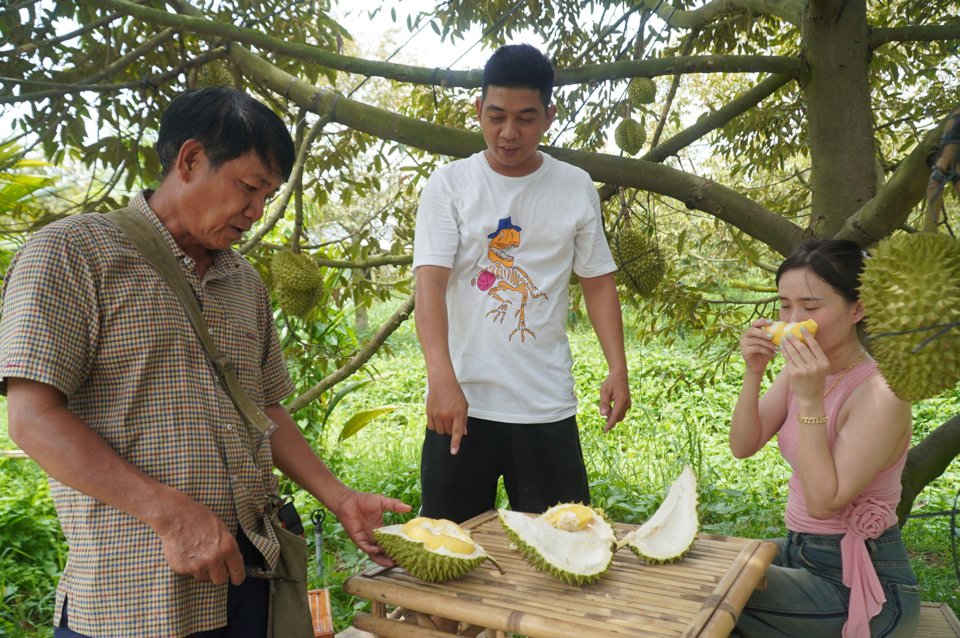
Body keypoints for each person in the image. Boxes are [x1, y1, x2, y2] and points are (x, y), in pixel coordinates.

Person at [0, 87, 410, 638]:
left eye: (268, 195)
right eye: (248, 187)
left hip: (248, 573)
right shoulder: (73, 253)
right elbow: (33, 419)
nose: (257, 211)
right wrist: (169, 514)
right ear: (189, 160)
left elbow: (264, 411)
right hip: (135, 591)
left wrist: (340, 498)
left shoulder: (244, 283)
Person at [412, 43, 632, 525]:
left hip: (544, 404)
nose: (508, 133)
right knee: (451, 547)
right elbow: (429, 286)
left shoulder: (574, 186)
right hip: (461, 403)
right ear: (478, 110)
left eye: (526, 118)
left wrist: (618, 367)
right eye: (496, 116)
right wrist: (440, 378)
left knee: (565, 545)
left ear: (550, 116)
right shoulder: (449, 185)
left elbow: (597, 281)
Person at [729, 239, 920, 638]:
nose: (795, 319)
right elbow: (743, 446)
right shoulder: (800, 368)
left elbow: (822, 502)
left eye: (811, 307)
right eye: (785, 305)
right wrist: (754, 371)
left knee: (717, 598)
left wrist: (810, 398)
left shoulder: (881, 395)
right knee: (706, 566)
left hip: (857, 585)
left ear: (858, 308)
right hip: (800, 552)